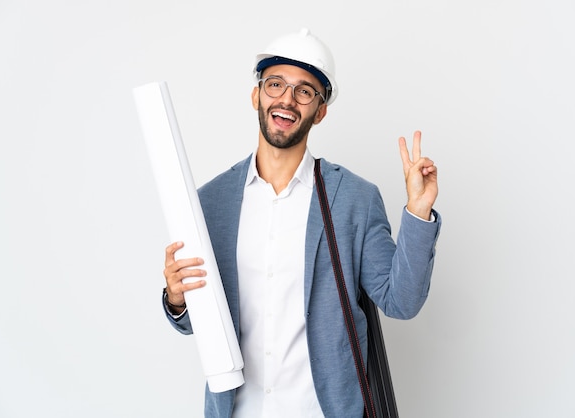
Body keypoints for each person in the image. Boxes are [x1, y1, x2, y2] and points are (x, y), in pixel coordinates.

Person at [161, 28, 441, 418]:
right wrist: (177, 299)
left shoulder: (354, 200)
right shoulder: (210, 202)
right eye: (275, 84)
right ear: (256, 94)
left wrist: (418, 211)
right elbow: (197, 324)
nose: (287, 100)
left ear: (321, 110)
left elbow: (401, 302)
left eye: (305, 90)